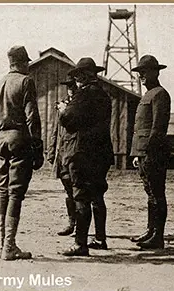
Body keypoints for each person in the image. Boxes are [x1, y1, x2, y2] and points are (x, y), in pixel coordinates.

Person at [0, 45, 44, 260]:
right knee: (16, 192)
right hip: (19, 138)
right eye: (27, 62)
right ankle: (9, 246)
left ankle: (2, 244)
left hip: (1, 139)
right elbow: (32, 117)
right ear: (22, 63)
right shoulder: (25, 81)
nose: (28, 65)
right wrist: (37, 146)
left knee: (2, 191)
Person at [58, 57, 114, 256]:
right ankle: (100, 239)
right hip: (101, 154)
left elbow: (68, 120)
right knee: (97, 197)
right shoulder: (104, 96)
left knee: (80, 196)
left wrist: (63, 110)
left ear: (82, 76)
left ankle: (80, 244)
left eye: (77, 76)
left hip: (82, 153)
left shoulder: (82, 96)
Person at [129, 55, 171, 249]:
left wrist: (148, 153)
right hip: (143, 153)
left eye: (145, 72)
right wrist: (137, 154)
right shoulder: (147, 95)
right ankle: (150, 230)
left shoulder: (160, 94)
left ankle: (158, 236)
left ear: (156, 72)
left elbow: (157, 128)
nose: (142, 76)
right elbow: (139, 129)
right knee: (150, 193)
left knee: (156, 193)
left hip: (153, 153)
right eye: (140, 73)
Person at [47, 76, 77, 236]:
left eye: (73, 85)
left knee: (78, 191)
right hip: (62, 153)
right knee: (68, 190)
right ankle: (71, 222)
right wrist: (51, 151)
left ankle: (80, 225)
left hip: (74, 153)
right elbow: (54, 130)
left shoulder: (78, 105)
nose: (71, 89)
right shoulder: (61, 105)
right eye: (68, 86)